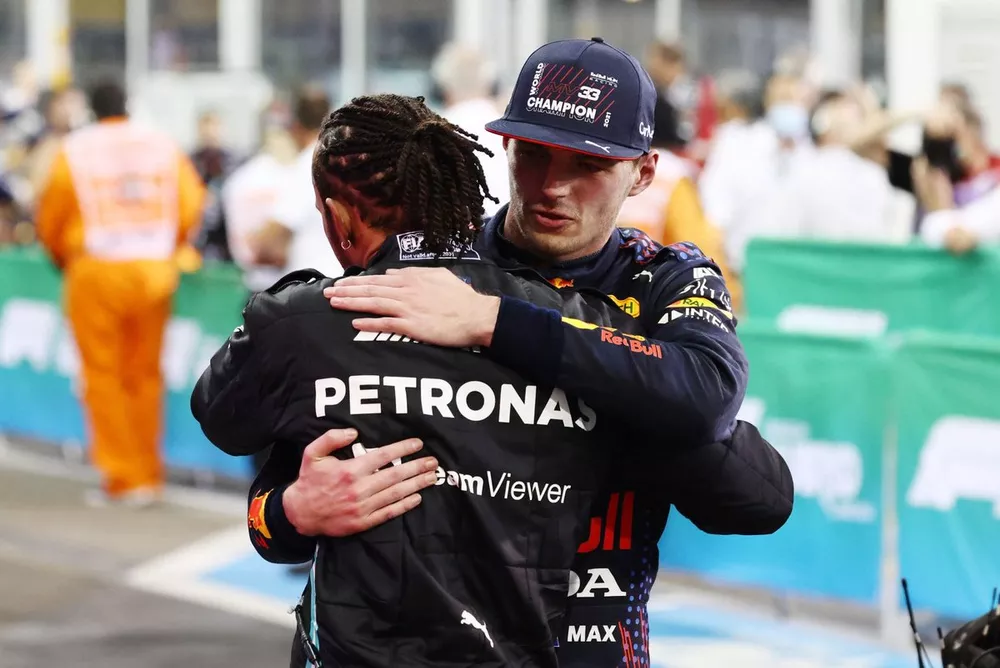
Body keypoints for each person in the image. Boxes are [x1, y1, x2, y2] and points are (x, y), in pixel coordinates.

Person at [256, 37, 792, 668]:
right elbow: (268, 513)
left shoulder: (664, 278)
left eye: (587, 166)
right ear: (504, 146)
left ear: (642, 172)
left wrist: (492, 323)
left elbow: (715, 415)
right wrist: (293, 511)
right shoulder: (422, 265)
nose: (552, 188)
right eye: (534, 155)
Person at [192, 93, 662, 667]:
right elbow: (750, 490)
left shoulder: (299, 320)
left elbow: (221, 419)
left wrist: (285, 510)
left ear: (338, 218)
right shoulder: (581, 326)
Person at [35, 80, 206, 505]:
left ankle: (123, 477)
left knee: (103, 377)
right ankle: (149, 473)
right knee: (145, 375)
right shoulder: (161, 144)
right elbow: (190, 205)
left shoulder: (74, 150)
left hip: (96, 272)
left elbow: (51, 215)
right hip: (153, 271)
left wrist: (63, 258)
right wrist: (166, 245)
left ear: (91, 108)